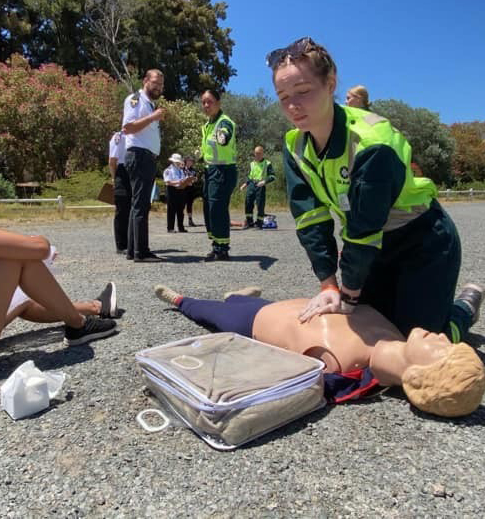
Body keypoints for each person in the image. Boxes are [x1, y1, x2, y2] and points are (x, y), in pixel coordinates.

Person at [265, 36, 479, 342]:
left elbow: (364, 228)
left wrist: (349, 295)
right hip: (377, 248)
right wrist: (328, 285)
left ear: (330, 83)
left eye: (303, 91)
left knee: (415, 343)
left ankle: (463, 310)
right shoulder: (294, 144)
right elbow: (310, 218)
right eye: (283, 96)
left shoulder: (372, 142)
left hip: (422, 242)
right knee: (368, 332)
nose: (292, 106)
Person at [153, 284, 485, 417]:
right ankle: (236, 295)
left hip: (254, 322)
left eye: (442, 351)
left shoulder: (337, 367)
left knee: (209, 311)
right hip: (286, 306)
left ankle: (181, 299)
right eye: (450, 344)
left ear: (417, 378)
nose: (443, 340)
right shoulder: (399, 331)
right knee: (242, 301)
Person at [0, 152, 119, 385]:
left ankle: (92, 308)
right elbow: (35, 249)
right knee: (15, 259)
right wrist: (40, 242)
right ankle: (78, 325)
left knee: (21, 298)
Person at [122, 69, 166, 263]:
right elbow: (128, 127)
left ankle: (133, 250)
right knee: (140, 205)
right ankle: (142, 251)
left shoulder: (149, 104)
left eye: (161, 85)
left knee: (138, 205)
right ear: (145, 81)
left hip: (145, 157)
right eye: (155, 83)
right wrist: (153, 117)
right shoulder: (135, 100)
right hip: (139, 155)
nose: (158, 87)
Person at [200, 90, 238, 261]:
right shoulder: (208, 125)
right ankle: (216, 245)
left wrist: (222, 137)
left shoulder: (224, 122)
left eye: (210, 102)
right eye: (204, 102)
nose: (206, 105)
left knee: (218, 208)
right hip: (211, 170)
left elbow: (225, 135)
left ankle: (223, 249)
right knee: (209, 208)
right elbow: (209, 148)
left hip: (223, 170)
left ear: (218, 103)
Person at [239, 145, 275, 229]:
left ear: (262, 154)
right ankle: (249, 222)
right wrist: (245, 184)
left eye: (259, 153)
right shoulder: (252, 163)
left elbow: (273, 176)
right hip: (251, 184)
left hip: (260, 185)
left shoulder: (267, 163)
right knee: (248, 203)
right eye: (255, 153)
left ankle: (259, 223)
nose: (257, 155)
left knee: (260, 205)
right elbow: (250, 176)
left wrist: (264, 182)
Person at [108, 130, 131, 254]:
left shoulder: (138, 135)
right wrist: (114, 178)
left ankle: (132, 242)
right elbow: (112, 160)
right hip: (122, 170)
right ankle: (121, 245)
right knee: (122, 210)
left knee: (133, 209)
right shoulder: (119, 136)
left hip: (134, 170)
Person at [163, 153, 189, 233]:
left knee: (180, 209)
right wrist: (178, 182)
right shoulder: (168, 170)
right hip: (172, 190)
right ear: (173, 162)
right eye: (177, 162)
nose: (178, 163)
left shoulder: (181, 170)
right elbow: (167, 182)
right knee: (171, 209)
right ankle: (170, 228)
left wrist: (188, 181)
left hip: (181, 190)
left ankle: (181, 227)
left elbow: (184, 179)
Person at [183, 156, 200, 227]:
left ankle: (190, 220)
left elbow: (196, 178)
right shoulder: (182, 169)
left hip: (191, 189)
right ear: (185, 161)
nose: (190, 162)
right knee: (182, 205)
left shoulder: (193, 170)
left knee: (189, 204)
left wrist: (195, 179)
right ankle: (180, 221)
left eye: (191, 161)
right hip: (183, 189)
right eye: (189, 161)